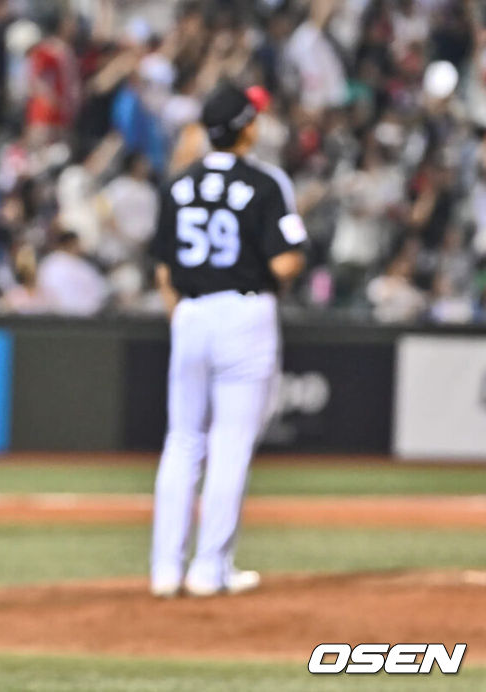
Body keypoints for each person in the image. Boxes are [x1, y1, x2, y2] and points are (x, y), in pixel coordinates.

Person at [147, 82, 307, 598]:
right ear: (248, 127)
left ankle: (164, 570)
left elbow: (164, 271)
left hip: (190, 313)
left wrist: (184, 318)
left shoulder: (178, 184)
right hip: (244, 311)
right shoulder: (266, 182)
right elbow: (286, 259)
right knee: (230, 444)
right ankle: (209, 570)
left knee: (182, 442)